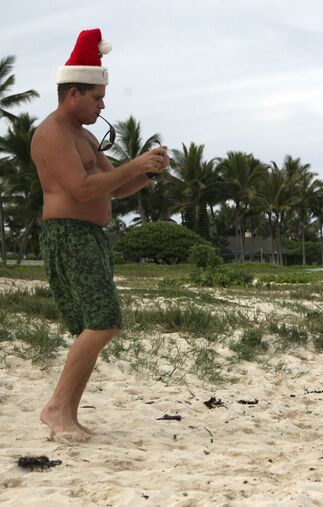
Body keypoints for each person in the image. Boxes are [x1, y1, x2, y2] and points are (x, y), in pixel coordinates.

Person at [31, 28, 169, 441]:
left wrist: (146, 171)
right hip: (68, 235)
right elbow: (81, 189)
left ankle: (66, 414)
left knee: (95, 325)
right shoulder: (53, 133)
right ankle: (57, 408)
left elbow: (115, 186)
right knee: (103, 323)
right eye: (96, 97)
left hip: (88, 237)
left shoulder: (86, 135)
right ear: (73, 94)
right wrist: (135, 164)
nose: (102, 104)